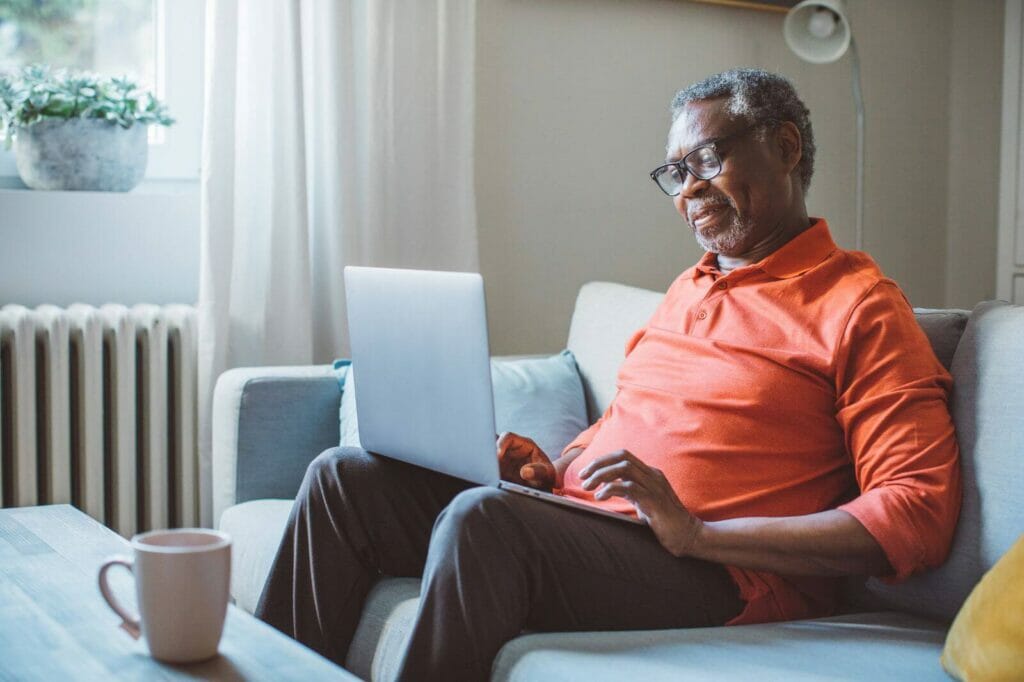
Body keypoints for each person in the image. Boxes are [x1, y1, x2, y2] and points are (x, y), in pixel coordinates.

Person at [255, 68, 961, 681]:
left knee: (484, 522)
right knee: (343, 480)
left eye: (706, 160)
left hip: (713, 570)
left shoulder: (859, 305)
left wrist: (697, 534)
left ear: (785, 147)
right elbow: (638, 424)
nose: (688, 191)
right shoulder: (691, 287)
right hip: (597, 527)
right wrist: (553, 468)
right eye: (675, 174)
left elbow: (916, 512)